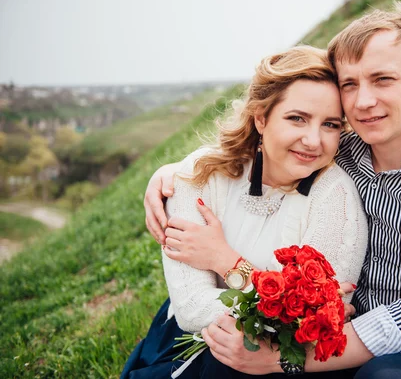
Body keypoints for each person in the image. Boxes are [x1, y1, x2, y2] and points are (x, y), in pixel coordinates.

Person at [144, 1, 401, 378]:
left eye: (382, 79)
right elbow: (260, 150)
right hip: (327, 326)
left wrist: (285, 359)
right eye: (350, 85)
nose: (363, 102)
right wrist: (172, 173)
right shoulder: (344, 149)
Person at [122, 45, 369, 378]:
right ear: (261, 118)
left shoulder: (336, 195)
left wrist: (224, 261)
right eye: (297, 118)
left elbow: (315, 322)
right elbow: (193, 309)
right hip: (189, 342)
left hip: (285, 362)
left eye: (330, 125)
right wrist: (281, 303)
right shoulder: (198, 176)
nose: (313, 140)